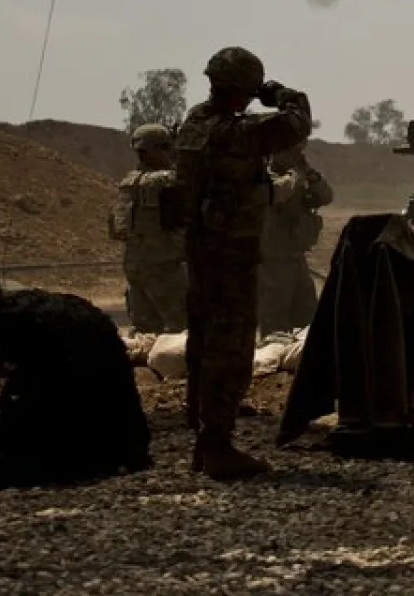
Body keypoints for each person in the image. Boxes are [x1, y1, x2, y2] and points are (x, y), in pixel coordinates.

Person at [174, 46, 312, 480]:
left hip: (199, 247)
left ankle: (201, 427)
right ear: (243, 91)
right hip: (230, 250)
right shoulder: (237, 133)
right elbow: (297, 122)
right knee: (231, 345)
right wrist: (281, 93)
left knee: (202, 336)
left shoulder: (194, 123)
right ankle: (216, 446)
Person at [107, 123, 188, 334]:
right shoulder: (166, 181)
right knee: (179, 329)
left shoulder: (128, 182)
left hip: (135, 266)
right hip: (164, 266)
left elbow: (116, 227)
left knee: (144, 331)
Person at [257, 145, 334, 336]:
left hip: (296, 258)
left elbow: (326, 196)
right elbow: (279, 193)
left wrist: (311, 175)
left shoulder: (298, 176)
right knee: (275, 320)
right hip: (273, 261)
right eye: (290, 150)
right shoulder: (264, 176)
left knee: (307, 318)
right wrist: (298, 174)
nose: (296, 155)